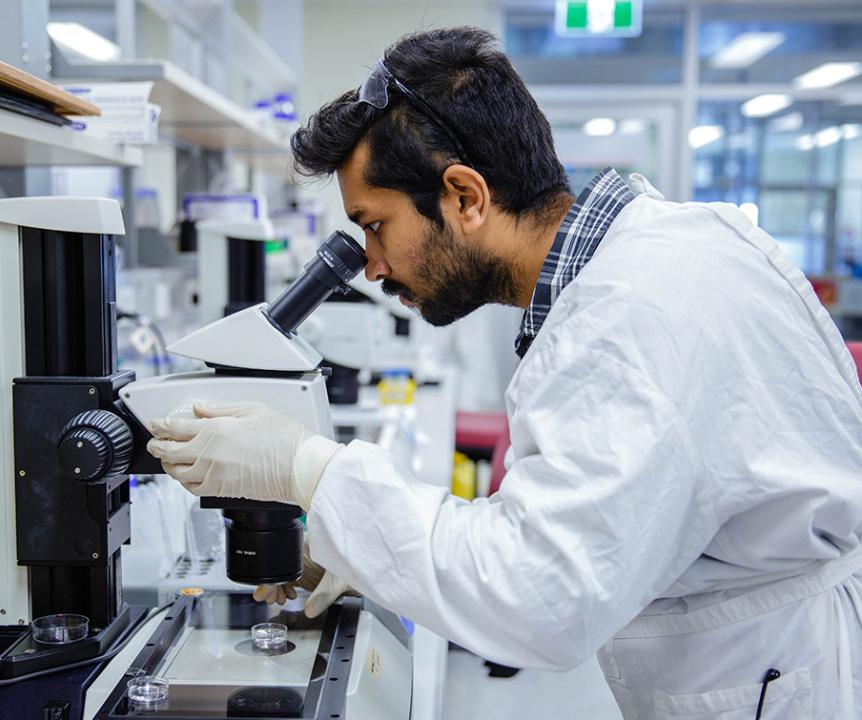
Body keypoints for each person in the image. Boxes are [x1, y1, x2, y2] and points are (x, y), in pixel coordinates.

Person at [147, 27, 862, 719]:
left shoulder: (626, 319)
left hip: (781, 678)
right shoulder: (660, 250)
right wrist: (359, 549)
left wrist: (310, 469)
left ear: (465, 196)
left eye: (374, 225)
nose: (371, 264)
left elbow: (539, 595)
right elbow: (570, 526)